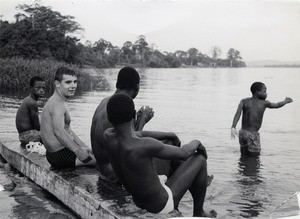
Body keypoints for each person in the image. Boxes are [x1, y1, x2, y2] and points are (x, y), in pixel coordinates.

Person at [103, 94, 216, 217]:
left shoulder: (107, 136)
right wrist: (197, 142)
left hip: (139, 201)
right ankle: (199, 212)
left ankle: (194, 185)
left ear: (109, 118)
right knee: (199, 159)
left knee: (172, 153)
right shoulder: (145, 145)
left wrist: (168, 135)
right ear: (134, 114)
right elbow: (184, 153)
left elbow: (137, 134)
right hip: (162, 205)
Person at [91, 67, 180, 182]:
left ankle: (177, 178)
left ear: (117, 84)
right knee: (170, 142)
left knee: (164, 142)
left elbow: (123, 137)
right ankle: (181, 181)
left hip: (101, 169)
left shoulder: (106, 102)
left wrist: (137, 120)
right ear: (137, 86)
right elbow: (132, 144)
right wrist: (142, 120)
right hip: (114, 174)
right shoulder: (125, 103)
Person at [41, 67, 96, 168]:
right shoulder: (57, 105)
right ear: (57, 84)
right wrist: (78, 151)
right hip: (61, 156)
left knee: (96, 153)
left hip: (53, 155)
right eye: (68, 82)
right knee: (104, 161)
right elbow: (58, 131)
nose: (73, 86)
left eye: (75, 82)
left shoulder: (58, 101)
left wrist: (84, 147)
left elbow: (67, 129)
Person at [231, 81, 293, 156]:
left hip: (242, 133)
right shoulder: (264, 103)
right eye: (264, 91)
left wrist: (233, 127)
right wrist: (285, 101)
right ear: (257, 92)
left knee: (243, 156)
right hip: (252, 134)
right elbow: (277, 105)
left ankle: (243, 167)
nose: (266, 94)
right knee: (255, 158)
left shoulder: (244, 101)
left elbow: (238, 113)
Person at [16, 76, 45, 147]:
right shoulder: (32, 103)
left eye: (43, 88)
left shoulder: (28, 100)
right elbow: (37, 126)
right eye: (38, 88)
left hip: (24, 136)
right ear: (31, 89)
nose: (41, 90)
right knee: (54, 134)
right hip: (27, 136)